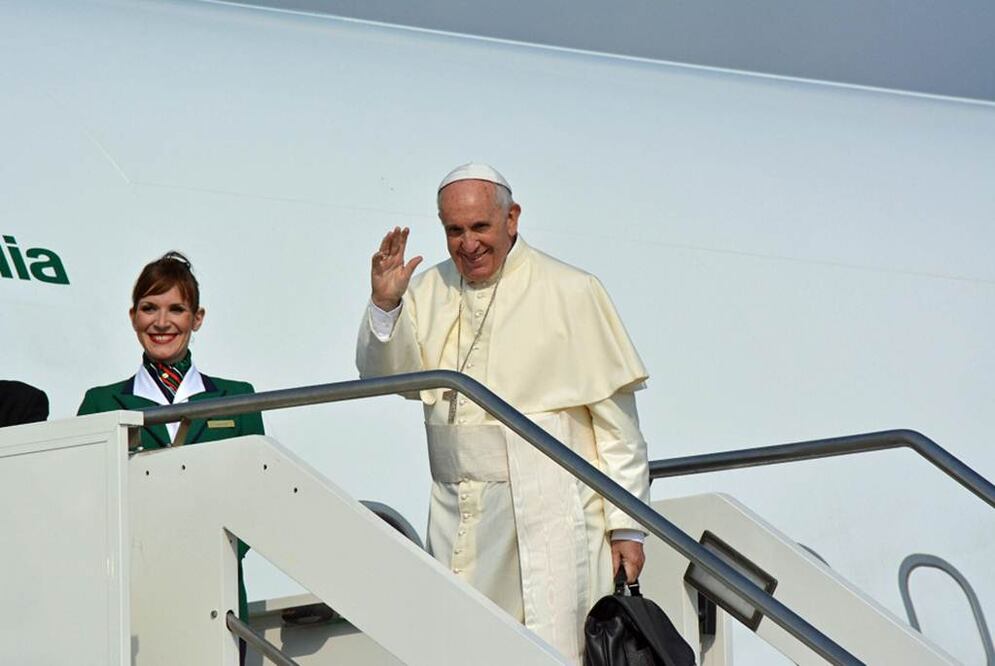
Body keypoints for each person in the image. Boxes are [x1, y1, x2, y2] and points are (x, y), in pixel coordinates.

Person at [356, 163, 650, 662]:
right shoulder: (428, 289)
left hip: (547, 507)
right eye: (454, 230)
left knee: (545, 647)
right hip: (456, 507)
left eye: (479, 227)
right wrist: (386, 305)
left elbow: (618, 429)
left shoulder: (572, 290)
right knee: (461, 645)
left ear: (512, 219)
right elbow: (387, 376)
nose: (467, 244)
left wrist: (626, 526)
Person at [77, 251, 263, 628]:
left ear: (197, 319)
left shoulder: (238, 398)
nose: (161, 323)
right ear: (133, 317)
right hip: (130, 598)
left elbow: (255, 500)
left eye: (176, 309)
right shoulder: (101, 402)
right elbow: (85, 504)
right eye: (149, 308)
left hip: (216, 596)